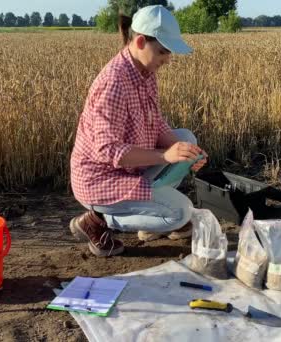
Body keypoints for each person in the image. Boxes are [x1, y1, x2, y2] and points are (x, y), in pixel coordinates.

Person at [69, 5, 208, 257]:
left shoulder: (144, 72)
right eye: (163, 51)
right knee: (180, 213)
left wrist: (189, 155)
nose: (168, 59)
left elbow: (156, 123)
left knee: (186, 139)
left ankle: (149, 218)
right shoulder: (113, 84)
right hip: (102, 181)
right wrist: (166, 157)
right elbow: (110, 151)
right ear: (141, 41)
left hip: (132, 168)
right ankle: (97, 221)